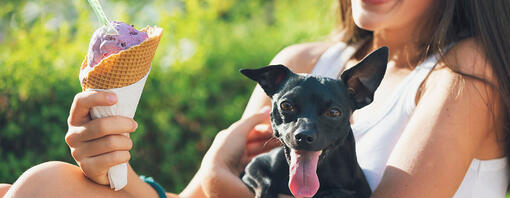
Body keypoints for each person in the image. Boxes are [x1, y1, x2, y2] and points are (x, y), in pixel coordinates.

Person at [2, 0, 510, 197]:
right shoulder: (307, 64)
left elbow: (222, 187)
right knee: (44, 185)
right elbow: (199, 195)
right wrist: (113, 164)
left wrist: (220, 180)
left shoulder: (462, 72)